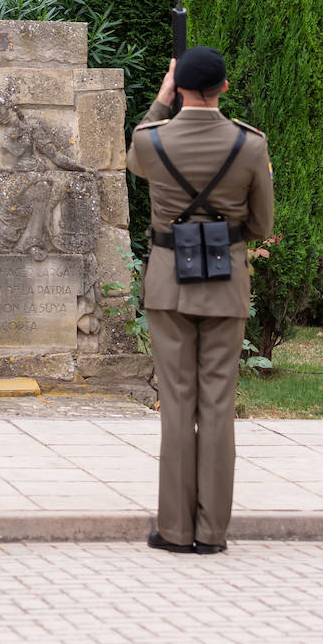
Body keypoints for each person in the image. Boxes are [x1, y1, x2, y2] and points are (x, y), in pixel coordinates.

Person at [127, 46, 274, 555]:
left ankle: (174, 529)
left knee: (177, 405)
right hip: (226, 281)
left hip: (170, 282)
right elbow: (262, 224)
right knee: (217, 405)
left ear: (178, 88)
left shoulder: (151, 140)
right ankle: (211, 533)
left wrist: (161, 102)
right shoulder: (250, 145)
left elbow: (134, 159)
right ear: (225, 89)